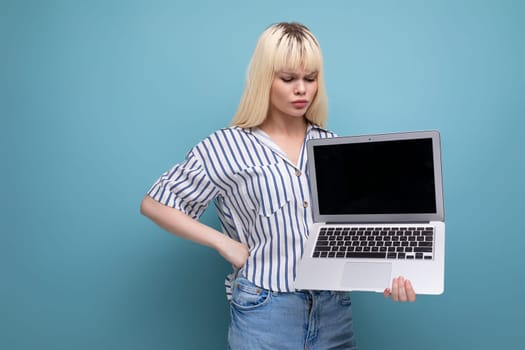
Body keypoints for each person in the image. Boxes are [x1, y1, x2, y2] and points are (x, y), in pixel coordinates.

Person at [140, 22, 416, 350]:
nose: (302, 89)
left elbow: (350, 229)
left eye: (310, 79)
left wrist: (384, 275)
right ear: (264, 79)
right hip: (265, 313)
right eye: (288, 79)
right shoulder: (226, 146)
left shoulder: (332, 147)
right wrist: (222, 242)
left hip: (334, 311)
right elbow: (155, 204)